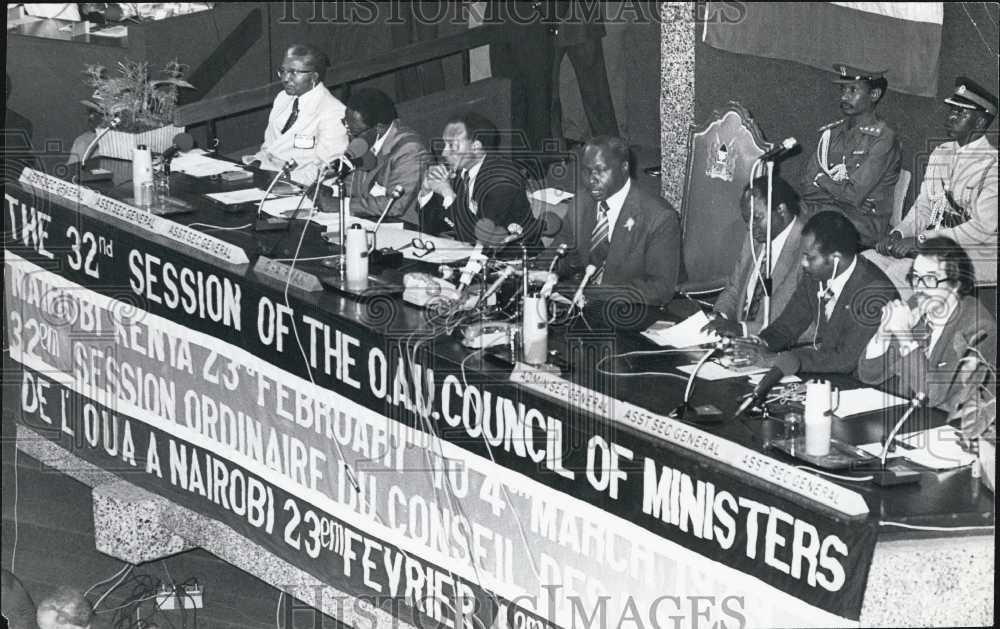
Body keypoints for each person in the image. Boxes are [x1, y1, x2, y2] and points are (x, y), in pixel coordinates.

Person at [871, 78, 998, 306]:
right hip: (937, 245)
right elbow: (925, 206)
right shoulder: (942, 153)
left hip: (976, 252)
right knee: (869, 262)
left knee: (898, 277)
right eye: (952, 110)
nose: (951, 117)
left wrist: (921, 240)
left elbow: (981, 229)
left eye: (961, 113)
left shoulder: (993, 166)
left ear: (980, 122)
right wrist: (899, 233)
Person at [729, 211, 898, 378]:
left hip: (864, 385)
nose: (803, 263)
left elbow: (844, 360)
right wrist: (760, 343)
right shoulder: (816, 275)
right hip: (828, 373)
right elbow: (787, 326)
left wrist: (773, 360)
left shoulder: (875, 292)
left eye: (809, 257)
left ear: (835, 259)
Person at [858, 237, 996, 436]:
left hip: (954, 435)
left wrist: (905, 336)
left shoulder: (978, 328)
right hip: (909, 423)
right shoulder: (919, 305)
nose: (919, 288)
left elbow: (932, 396)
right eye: (916, 278)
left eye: (930, 279)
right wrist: (884, 331)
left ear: (955, 284)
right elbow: (869, 374)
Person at [547, 136, 681, 319]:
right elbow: (560, 249)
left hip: (634, 316)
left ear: (624, 168)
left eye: (601, 170)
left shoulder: (659, 217)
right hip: (582, 310)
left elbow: (659, 289)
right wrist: (536, 270)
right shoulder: (582, 201)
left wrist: (589, 294)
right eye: (586, 171)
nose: (591, 179)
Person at [799, 64, 901, 249]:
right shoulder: (832, 133)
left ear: (874, 95)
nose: (844, 96)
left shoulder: (883, 139)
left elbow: (854, 195)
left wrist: (822, 180)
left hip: (864, 226)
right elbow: (807, 186)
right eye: (843, 89)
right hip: (833, 212)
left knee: (805, 231)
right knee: (784, 215)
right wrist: (843, 197)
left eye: (852, 90)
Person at [703, 175, 809, 339]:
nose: (751, 228)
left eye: (757, 218)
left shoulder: (807, 248)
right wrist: (720, 316)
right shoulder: (755, 237)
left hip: (775, 347)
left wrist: (742, 330)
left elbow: (789, 321)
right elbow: (734, 288)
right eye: (747, 220)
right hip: (738, 340)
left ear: (781, 210)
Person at [418, 111, 537, 244]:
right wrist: (426, 190)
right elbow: (430, 229)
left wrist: (448, 194)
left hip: (511, 258)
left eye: (451, 145)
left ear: (476, 147)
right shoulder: (459, 172)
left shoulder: (502, 181)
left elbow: (480, 239)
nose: (444, 152)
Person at [245, 45, 349, 186]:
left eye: (294, 72)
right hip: (265, 173)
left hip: (299, 185)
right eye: (283, 71)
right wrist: (255, 166)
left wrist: (282, 179)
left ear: (314, 77)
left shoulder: (333, 111)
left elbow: (328, 169)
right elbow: (269, 146)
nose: (285, 78)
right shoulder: (282, 98)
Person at [342, 88, 430, 226]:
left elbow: (394, 205)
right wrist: (334, 190)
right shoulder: (366, 139)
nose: (349, 133)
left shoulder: (410, 150)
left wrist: (342, 205)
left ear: (379, 128)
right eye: (345, 123)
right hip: (370, 221)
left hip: (403, 227)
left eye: (355, 132)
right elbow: (354, 183)